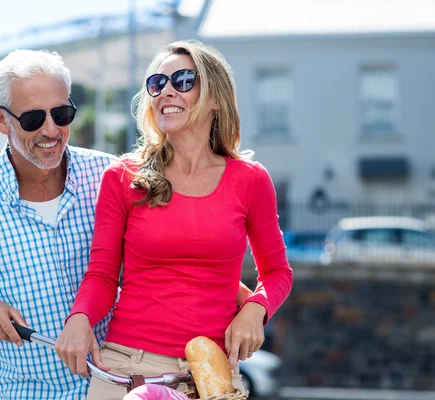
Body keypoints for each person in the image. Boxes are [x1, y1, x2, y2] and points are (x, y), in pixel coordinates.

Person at [55, 40, 293, 400]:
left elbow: (277, 273)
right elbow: (103, 275)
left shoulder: (251, 180)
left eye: (182, 80)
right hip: (127, 369)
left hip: (210, 377)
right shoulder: (123, 177)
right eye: (157, 83)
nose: (166, 90)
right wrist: (80, 317)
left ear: (215, 97)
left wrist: (256, 309)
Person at [0, 49, 117, 399]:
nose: (51, 130)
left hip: (121, 387)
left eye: (61, 114)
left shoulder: (111, 175)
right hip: (32, 392)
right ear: (1, 120)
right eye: (32, 119)